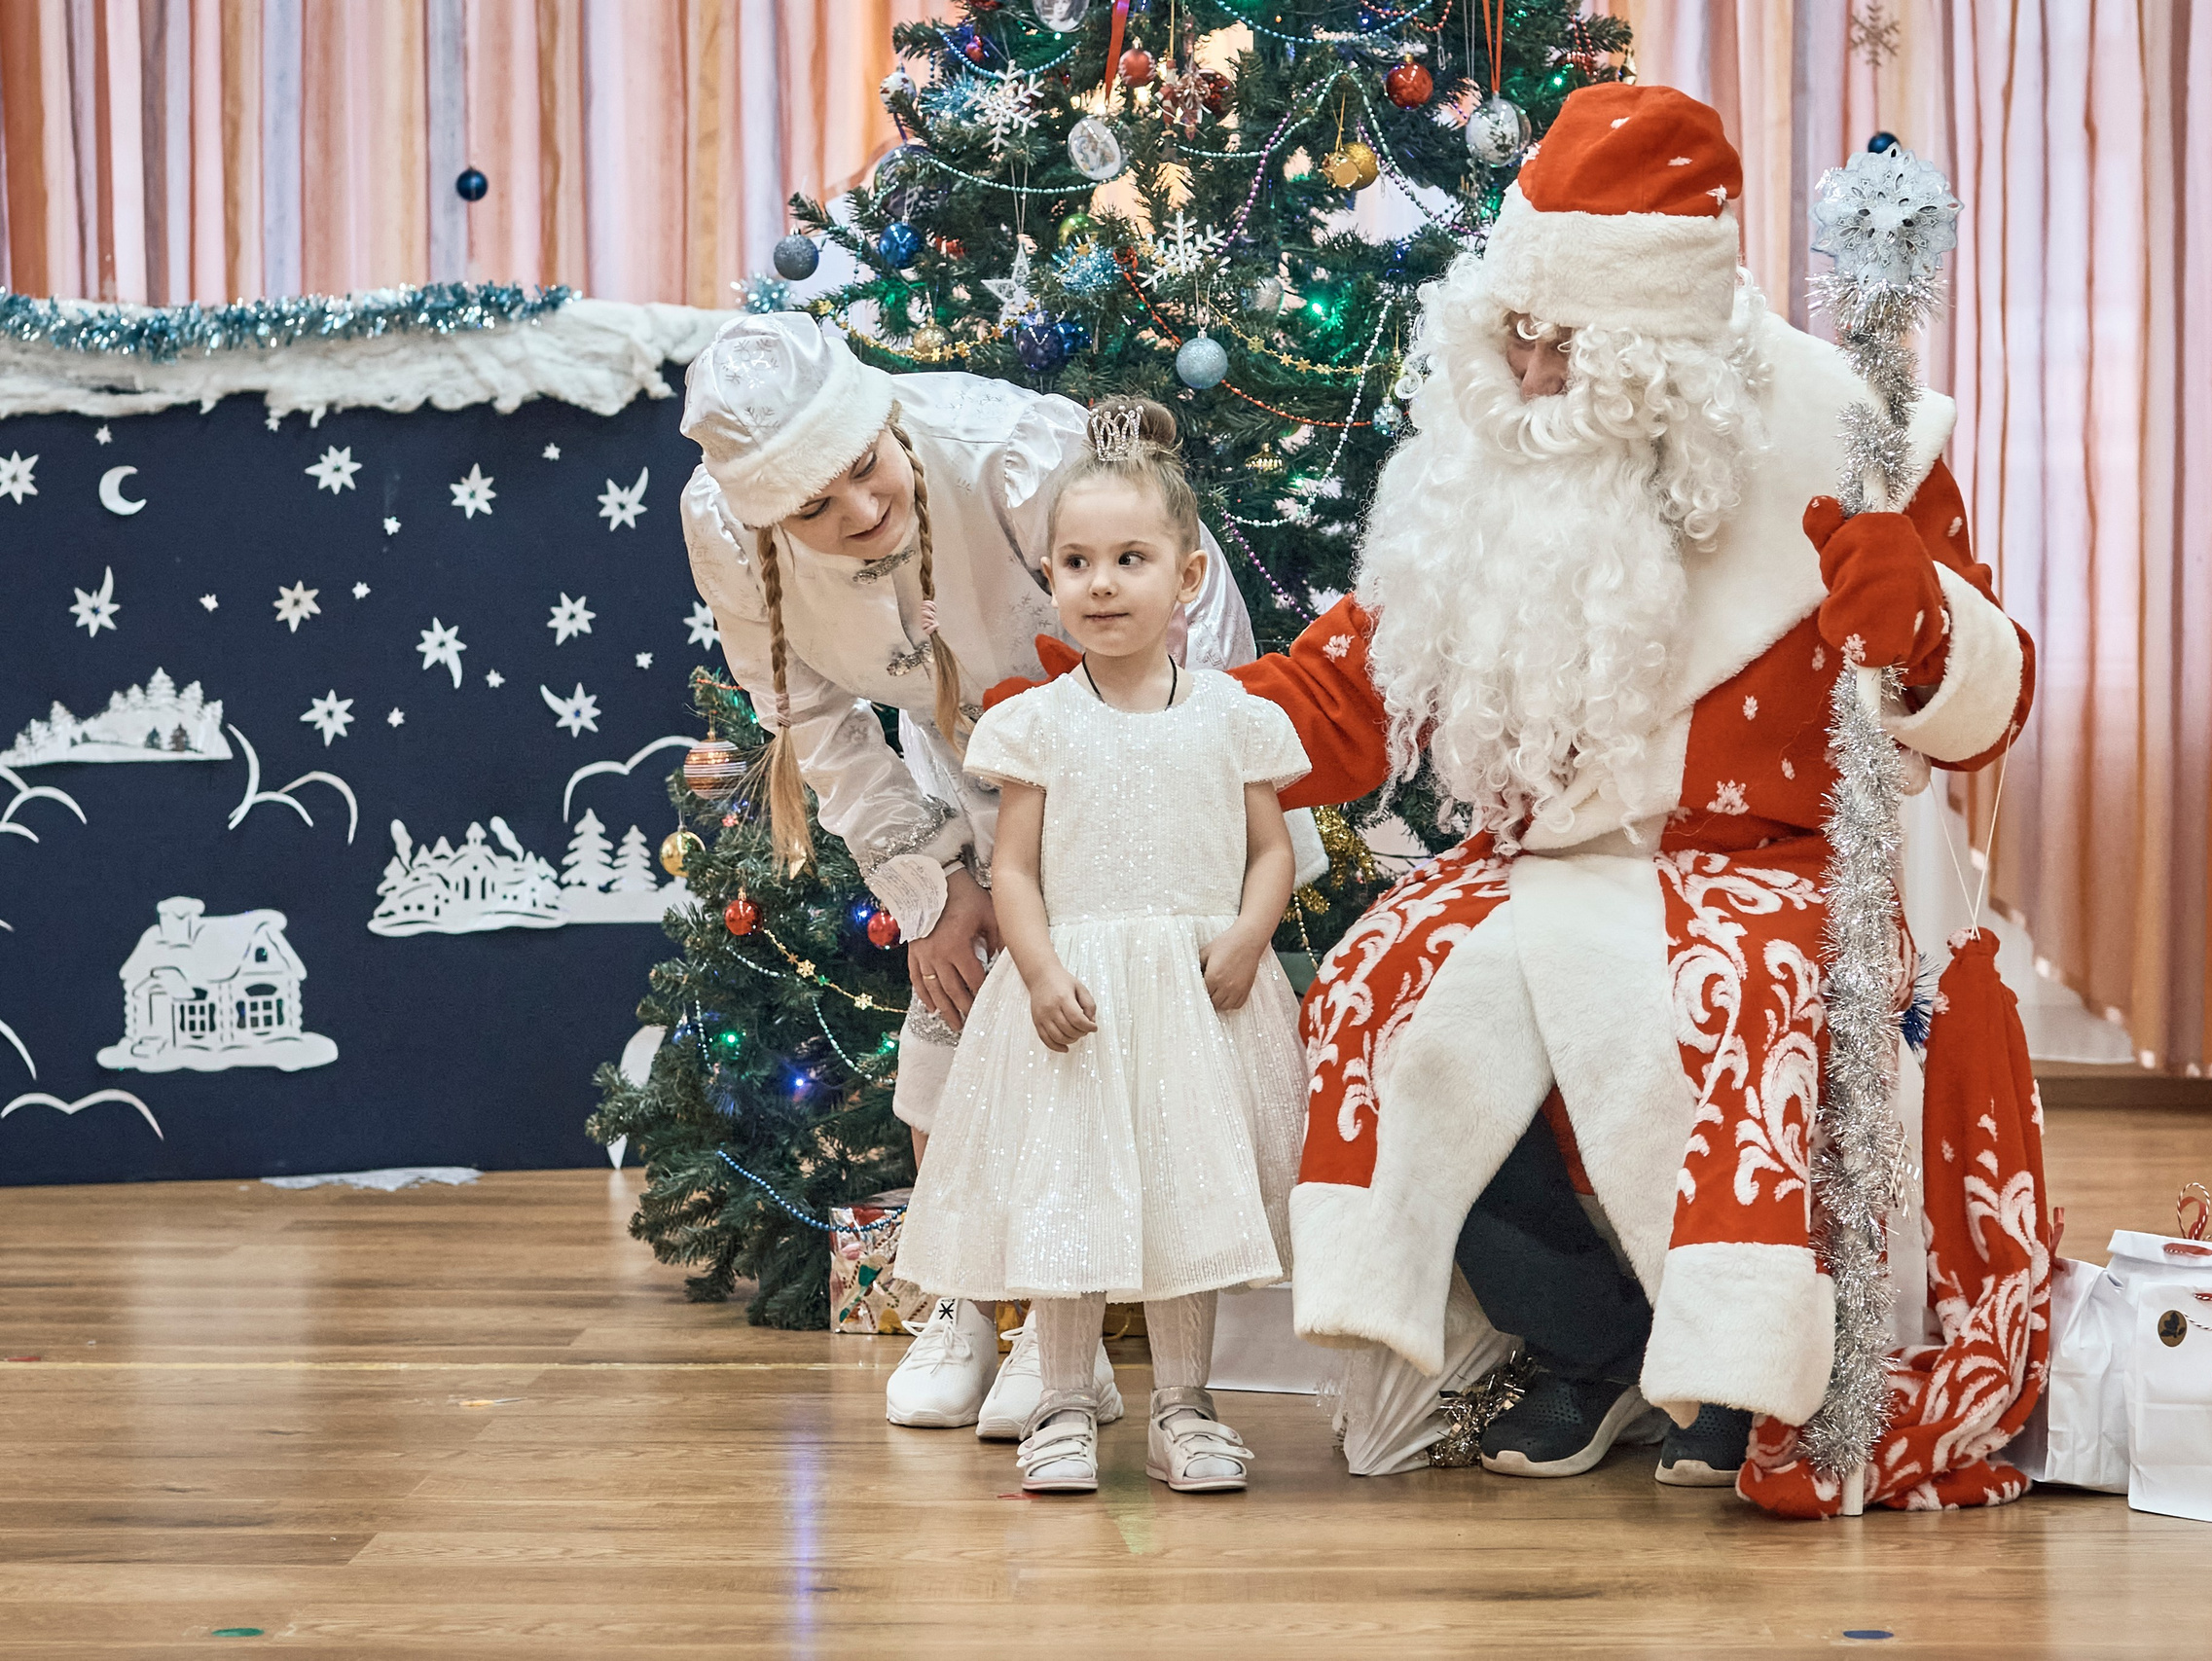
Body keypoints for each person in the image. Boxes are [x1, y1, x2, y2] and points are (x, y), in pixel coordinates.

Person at [1211, 86, 2043, 1499]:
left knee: (1735, 1004)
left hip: (1771, 860)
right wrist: (1160, 730)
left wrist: (1922, 626)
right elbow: (1355, 688)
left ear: (1659, 349)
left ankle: (1737, 1367)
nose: (1527, 366)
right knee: (1378, 986)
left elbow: (1989, 702)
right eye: (1513, 330)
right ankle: (1591, 1341)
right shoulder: (1490, 458)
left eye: (1562, 341)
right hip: (1540, 858)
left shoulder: (1855, 438)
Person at [676, 316, 1302, 1440]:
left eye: (864, 469)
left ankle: (1061, 1339)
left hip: (1121, 751)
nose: (861, 513)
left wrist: (1167, 805)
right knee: (954, 1006)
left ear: (880, 422)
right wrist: (929, 879)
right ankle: (968, 1300)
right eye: (813, 508)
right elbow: (811, 718)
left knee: (1093, 1033)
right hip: (968, 760)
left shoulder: (1010, 450)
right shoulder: (720, 529)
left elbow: (1186, 625)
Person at [892, 399, 1310, 1497]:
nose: (1102, 583)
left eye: (1130, 558)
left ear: (1187, 580)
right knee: (1068, 1202)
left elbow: (1271, 853)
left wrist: (1247, 933)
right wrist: (1035, 969)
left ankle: (1185, 1406)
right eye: (1076, 561)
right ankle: (1064, 1405)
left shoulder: (1230, 716)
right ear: (1050, 576)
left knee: (1187, 1208)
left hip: (1194, 997)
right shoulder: (1039, 723)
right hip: (1076, 1003)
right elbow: (1015, 869)